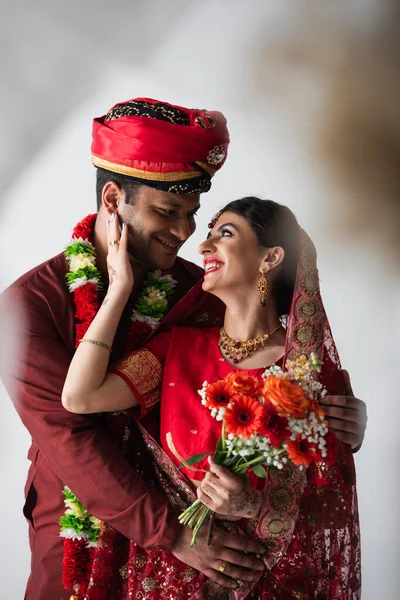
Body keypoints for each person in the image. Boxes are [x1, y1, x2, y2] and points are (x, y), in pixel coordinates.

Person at [0, 97, 366, 600]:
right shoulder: (28, 306)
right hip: (80, 523)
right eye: (168, 212)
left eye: (194, 215)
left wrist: (339, 419)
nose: (186, 234)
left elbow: (273, 375)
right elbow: (70, 436)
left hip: (206, 540)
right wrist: (173, 534)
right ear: (113, 201)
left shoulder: (205, 290)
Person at [62, 197, 362, 599]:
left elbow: (335, 510)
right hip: (167, 579)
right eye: (208, 235)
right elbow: (80, 397)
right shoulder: (176, 350)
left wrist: (254, 504)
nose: (202, 247)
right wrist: (119, 289)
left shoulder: (309, 376)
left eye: (225, 234)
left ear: (270, 257)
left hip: (267, 582)